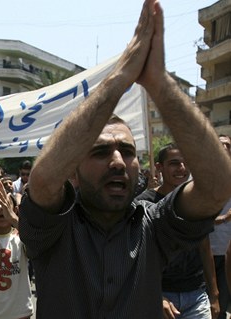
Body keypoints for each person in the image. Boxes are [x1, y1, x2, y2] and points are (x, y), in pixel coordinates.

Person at [18, 0, 231, 317]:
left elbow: (217, 186)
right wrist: (119, 79)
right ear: (72, 172)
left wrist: (158, 83)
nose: (117, 161)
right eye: (100, 151)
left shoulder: (154, 225)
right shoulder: (53, 228)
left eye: (128, 151)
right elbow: (44, 181)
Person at [136, 144, 219, 319]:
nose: (181, 168)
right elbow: (136, 256)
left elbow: (205, 248)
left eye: (185, 163)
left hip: (196, 295)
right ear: (159, 167)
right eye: (174, 163)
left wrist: (214, 295)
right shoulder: (143, 204)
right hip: (161, 298)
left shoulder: (197, 202)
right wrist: (156, 295)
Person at [0, 180, 33, 319]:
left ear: (15, 209)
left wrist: (14, 219)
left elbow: (38, 242)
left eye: (5, 202)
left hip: (20, 314)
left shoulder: (21, 237)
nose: (0, 207)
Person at [209, 134, 231, 319]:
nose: (224, 148)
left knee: (222, 302)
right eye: (220, 144)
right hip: (205, 250)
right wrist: (223, 218)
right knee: (210, 300)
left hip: (227, 250)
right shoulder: (202, 174)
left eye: (228, 145)